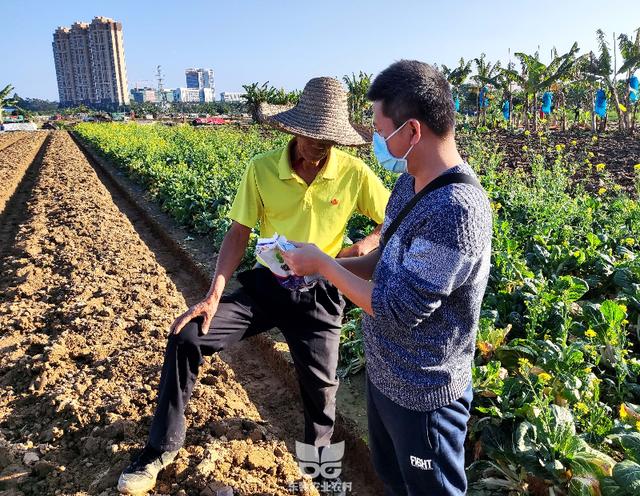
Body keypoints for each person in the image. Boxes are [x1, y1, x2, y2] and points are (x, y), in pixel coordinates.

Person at [117, 77, 390, 495]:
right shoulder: (262, 169)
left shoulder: (353, 173)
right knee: (188, 334)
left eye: (329, 138)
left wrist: (358, 248)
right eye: (313, 134)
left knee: (322, 393)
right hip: (267, 286)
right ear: (295, 128)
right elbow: (238, 232)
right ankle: (160, 449)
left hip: (320, 294)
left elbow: (390, 219)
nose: (320, 145)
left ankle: (319, 474)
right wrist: (211, 296)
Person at [282, 60, 493, 496]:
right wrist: (325, 265)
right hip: (386, 377)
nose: (376, 140)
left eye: (379, 130)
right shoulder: (409, 183)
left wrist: (324, 266)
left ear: (412, 131)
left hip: (423, 395)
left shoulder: (455, 211)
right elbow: (384, 261)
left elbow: (396, 310)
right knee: (393, 480)